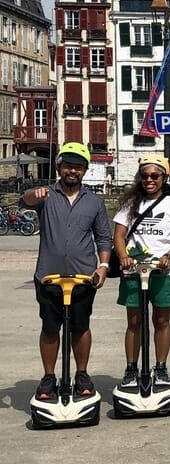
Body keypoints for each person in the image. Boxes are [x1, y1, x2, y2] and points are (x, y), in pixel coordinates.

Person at [21, 142, 112, 399]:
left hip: (83, 277)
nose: (73, 170)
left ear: (84, 170)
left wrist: (103, 266)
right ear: (59, 167)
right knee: (50, 328)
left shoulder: (94, 202)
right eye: (68, 165)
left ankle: (81, 374)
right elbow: (25, 201)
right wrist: (32, 194)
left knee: (81, 327)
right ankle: (49, 377)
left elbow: (103, 237)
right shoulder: (46, 195)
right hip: (48, 276)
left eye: (78, 166)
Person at [113, 155, 170, 387]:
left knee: (161, 321)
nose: (149, 180)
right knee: (134, 322)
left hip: (163, 273)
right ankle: (130, 368)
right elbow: (118, 235)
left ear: (164, 178)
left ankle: (161, 367)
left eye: (155, 176)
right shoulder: (130, 204)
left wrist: (169, 256)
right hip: (133, 271)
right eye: (145, 176)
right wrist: (124, 257)